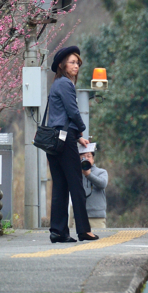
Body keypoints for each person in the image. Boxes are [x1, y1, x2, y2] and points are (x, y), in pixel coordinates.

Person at [46, 45, 98, 243]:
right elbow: (73, 111)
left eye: (78, 63)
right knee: (76, 184)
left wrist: (78, 137)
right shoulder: (66, 84)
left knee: (59, 186)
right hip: (64, 140)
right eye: (72, 62)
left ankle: (58, 231)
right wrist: (81, 128)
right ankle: (84, 230)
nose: (76, 66)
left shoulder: (55, 85)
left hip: (53, 140)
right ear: (62, 65)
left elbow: (59, 116)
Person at [79, 143, 108, 229]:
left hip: (97, 216)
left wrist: (88, 175)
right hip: (79, 216)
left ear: (93, 159)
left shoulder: (101, 172)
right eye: (83, 156)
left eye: (89, 156)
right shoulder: (75, 173)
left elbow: (103, 184)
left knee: (99, 241)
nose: (86, 159)